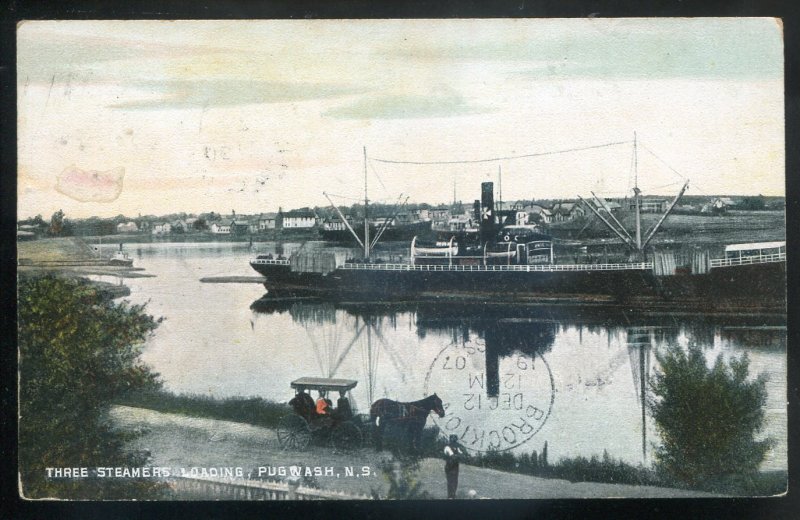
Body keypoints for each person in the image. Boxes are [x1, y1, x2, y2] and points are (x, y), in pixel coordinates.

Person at [443, 434, 466, 499]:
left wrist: (458, 455)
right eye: (452, 438)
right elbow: (453, 457)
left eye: (455, 438)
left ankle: (453, 495)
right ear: (450, 439)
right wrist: (458, 455)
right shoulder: (447, 447)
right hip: (449, 466)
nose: (454, 440)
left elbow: (463, 455)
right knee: (450, 481)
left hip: (455, 466)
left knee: (455, 481)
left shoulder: (457, 447)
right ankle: (450, 496)